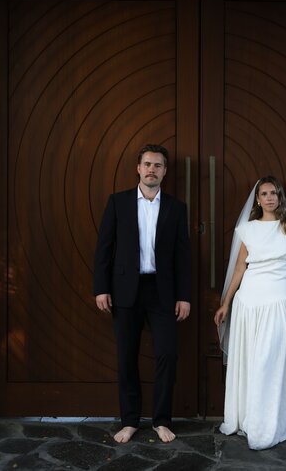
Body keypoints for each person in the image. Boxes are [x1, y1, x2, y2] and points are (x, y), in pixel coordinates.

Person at [94, 144, 191, 444]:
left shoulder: (176, 208)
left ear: (164, 171)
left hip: (162, 292)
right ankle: (130, 420)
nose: (152, 169)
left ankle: (161, 420)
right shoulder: (118, 202)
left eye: (158, 165)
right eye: (147, 164)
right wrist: (101, 288)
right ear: (138, 168)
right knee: (126, 357)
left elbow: (182, 256)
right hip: (125, 290)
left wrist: (184, 296)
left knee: (167, 354)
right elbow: (104, 250)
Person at [214, 176, 286, 450]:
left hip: (279, 302)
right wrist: (226, 303)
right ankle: (248, 419)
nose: (270, 198)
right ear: (257, 199)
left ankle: (268, 423)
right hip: (249, 303)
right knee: (250, 361)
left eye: (274, 193)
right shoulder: (247, 230)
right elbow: (238, 269)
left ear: (280, 197)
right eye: (264, 194)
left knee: (270, 361)